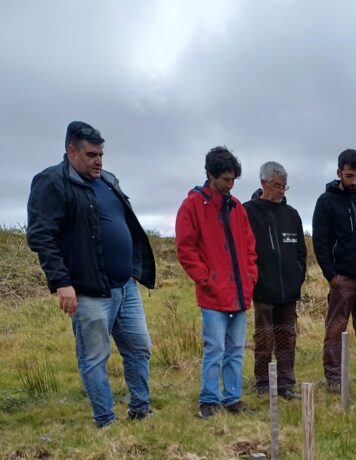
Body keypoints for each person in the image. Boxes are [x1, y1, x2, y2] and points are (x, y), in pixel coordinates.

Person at [26, 121, 156, 428]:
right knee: (95, 357)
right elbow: (42, 236)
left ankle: (141, 409)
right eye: (91, 155)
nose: (98, 161)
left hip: (125, 286)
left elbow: (125, 224)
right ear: (71, 152)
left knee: (140, 348)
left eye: (100, 155)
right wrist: (61, 282)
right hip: (89, 290)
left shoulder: (108, 180)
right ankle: (105, 420)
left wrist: (132, 268)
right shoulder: (52, 182)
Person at [176, 146, 257, 418]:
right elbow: (185, 249)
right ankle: (209, 400)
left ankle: (232, 398)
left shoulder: (237, 208)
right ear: (210, 175)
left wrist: (250, 276)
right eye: (225, 179)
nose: (230, 185)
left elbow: (250, 247)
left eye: (233, 179)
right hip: (213, 295)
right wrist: (206, 279)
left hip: (239, 293)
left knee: (235, 349)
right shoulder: (192, 206)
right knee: (216, 349)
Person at [312, 149, 356, 390]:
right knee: (335, 329)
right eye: (349, 175)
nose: (354, 181)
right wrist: (331, 275)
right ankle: (334, 379)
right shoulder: (326, 202)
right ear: (339, 173)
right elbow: (320, 241)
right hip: (341, 279)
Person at [244, 161, 307, 399]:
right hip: (262, 290)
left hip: (288, 291)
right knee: (264, 337)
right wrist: (253, 280)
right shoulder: (247, 212)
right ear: (264, 183)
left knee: (287, 337)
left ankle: (286, 383)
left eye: (284, 186)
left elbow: (301, 251)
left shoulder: (292, 215)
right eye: (277, 185)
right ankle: (262, 382)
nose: (281, 190)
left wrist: (297, 276)